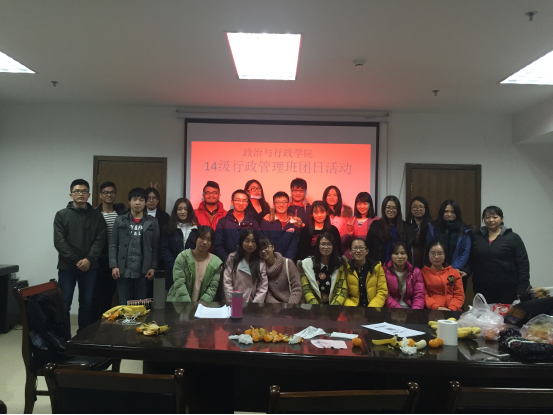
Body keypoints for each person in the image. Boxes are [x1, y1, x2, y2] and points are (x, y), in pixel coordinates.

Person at [54, 179, 106, 335]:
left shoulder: (97, 216)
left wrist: (88, 259)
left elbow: (100, 240)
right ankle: (64, 339)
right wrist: (77, 261)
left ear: (89, 195)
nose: (81, 194)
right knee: (64, 304)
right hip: (67, 267)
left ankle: (83, 337)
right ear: (71, 195)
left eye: (84, 191)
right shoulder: (61, 215)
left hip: (90, 267)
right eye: (77, 191)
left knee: (87, 304)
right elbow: (59, 242)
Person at [470, 206, 530, 304]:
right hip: (481, 286)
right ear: (483, 219)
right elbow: (471, 259)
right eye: (487, 217)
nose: (491, 220)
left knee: (505, 313)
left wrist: (522, 288)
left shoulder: (513, 238)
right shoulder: (476, 237)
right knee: (483, 313)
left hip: (507, 287)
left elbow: (523, 264)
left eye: (495, 217)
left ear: (501, 219)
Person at [109, 188, 160, 305]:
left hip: (143, 272)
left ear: (145, 202)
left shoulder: (152, 222)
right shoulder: (120, 220)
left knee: (140, 306)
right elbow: (113, 244)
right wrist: (114, 265)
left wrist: (153, 267)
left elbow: (156, 247)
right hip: (123, 271)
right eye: (134, 199)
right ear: (129, 201)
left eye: (141, 200)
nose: (137, 203)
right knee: (124, 305)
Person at [94, 181, 128, 318]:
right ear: (100, 195)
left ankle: (110, 323)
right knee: (97, 294)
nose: (109, 195)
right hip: (99, 259)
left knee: (112, 294)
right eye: (106, 192)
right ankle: (97, 323)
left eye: (112, 192)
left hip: (118, 259)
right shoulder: (94, 213)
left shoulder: (122, 213)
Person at [167, 226, 223, 303]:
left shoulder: (216, 263)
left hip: (203, 306)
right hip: (179, 303)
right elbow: (179, 284)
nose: (205, 242)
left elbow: (212, 289)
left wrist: (200, 306)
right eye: (202, 238)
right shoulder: (183, 257)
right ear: (196, 238)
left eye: (209, 240)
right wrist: (188, 305)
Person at [426, 200, 471, 280]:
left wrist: (452, 270)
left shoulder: (464, 230)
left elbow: (465, 252)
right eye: (446, 211)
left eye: (453, 212)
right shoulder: (433, 228)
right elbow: (428, 249)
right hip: (435, 271)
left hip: (457, 271)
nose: (449, 214)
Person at [299, 232, 348, 305]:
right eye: (323, 244)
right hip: (313, 308)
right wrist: (316, 307)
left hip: (335, 308)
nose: (326, 247)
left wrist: (334, 308)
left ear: (333, 246)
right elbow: (307, 289)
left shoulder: (339, 264)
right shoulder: (307, 264)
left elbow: (342, 290)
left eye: (329, 244)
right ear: (318, 246)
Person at [161, 198, 198, 291]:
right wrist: (175, 267)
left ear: (190, 211)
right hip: (172, 273)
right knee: (173, 298)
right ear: (175, 211)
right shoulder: (168, 229)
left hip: (192, 272)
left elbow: (199, 251)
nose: (182, 212)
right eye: (179, 209)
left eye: (185, 209)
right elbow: (165, 250)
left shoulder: (197, 229)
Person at [214, 189, 260, 265]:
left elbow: (257, 244)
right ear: (232, 202)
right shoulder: (223, 222)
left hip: (248, 264)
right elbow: (218, 245)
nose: (241, 203)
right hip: (227, 264)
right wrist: (229, 261)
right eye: (237, 200)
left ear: (247, 203)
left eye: (244, 201)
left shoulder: (253, 223)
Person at [223, 228, 268, 302]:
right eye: (247, 241)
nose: (250, 244)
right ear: (241, 242)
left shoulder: (261, 263)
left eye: (253, 241)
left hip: (252, 303)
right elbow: (227, 282)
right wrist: (233, 303)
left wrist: (254, 306)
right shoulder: (232, 258)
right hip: (234, 302)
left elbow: (262, 288)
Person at [367, 196, 415, 265]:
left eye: (394, 208)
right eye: (388, 207)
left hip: (401, 267)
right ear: (384, 208)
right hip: (380, 267)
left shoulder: (406, 227)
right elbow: (369, 249)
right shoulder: (375, 227)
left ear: (398, 210)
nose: (391, 210)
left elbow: (409, 252)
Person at [343, 238, 387, 307]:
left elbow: (382, 291)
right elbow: (343, 293)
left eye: (361, 248)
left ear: (367, 251)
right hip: (352, 309)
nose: (358, 251)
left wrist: (371, 309)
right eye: (355, 248)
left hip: (373, 308)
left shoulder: (377, 267)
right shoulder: (345, 268)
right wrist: (353, 309)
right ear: (350, 251)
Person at [422, 241, 465, 311]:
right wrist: (437, 307)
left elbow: (459, 295)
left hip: (453, 311)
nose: (436, 257)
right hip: (432, 311)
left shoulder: (454, 273)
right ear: (428, 254)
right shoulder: (422, 273)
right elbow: (424, 295)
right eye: (433, 253)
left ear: (445, 255)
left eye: (440, 254)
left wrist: (451, 309)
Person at [259, 237, 302, 304]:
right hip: (274, 308)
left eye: (265, 247)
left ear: (273, 247)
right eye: (260, 249)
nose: (263, 251)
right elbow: (267, 295)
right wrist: (278, 307)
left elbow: (297, 288)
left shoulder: (288, 263)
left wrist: (289, 307)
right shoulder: (262, 269)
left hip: (293, 306)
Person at [260, 191, 302, 260]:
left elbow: (293, 246)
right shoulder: (266, 222)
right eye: (278, 202)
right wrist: (273, 261)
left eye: (284, 202)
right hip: (270, 261)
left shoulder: (294, 223)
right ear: (274, 204)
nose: (281, 205)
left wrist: (286, 262)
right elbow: (264, 244)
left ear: (288, 204)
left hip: (288, 261)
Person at [384, 241, 425, 309]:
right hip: (391, 309)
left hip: (411, 309)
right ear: (391, 256)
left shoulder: (415, 272)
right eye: (396, 253)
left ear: (407, 255)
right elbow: (385, 295)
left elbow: (419, 295)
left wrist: (415, 311)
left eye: (403, 253)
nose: (400, 256)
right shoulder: (384, 271)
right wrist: (398, 309)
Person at [343, 192, 380, 258]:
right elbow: (343, 242)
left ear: (370, 204)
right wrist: (350, 232)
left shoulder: (376, 221)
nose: (362, 207)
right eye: (359, 204)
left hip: (369, 257)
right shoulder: (350, 220)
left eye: (365, 204)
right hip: (351, 258)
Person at [406, 196, 433, 269]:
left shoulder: (431, 226)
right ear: (411, 209)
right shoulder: (405, 225)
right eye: (415, 207)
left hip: (426, 260)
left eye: (420, 207)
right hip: (409, 260)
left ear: (425, 209)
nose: (418, 209)